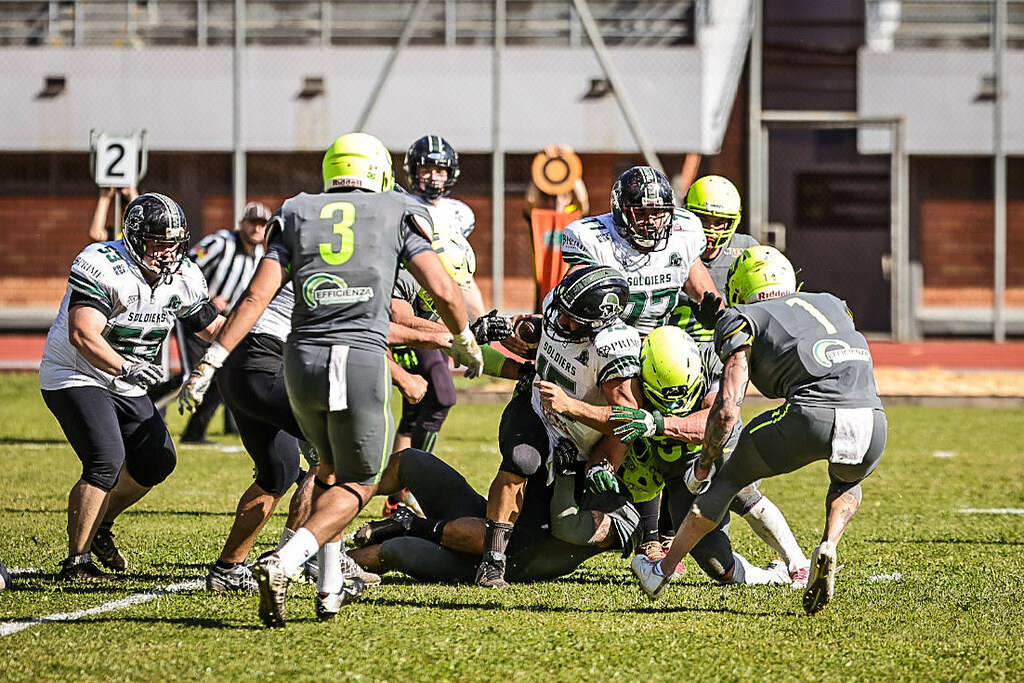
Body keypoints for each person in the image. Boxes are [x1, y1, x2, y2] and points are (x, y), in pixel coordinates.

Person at [179, 132, 483, 627]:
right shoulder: (394, 214)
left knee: (298, 470)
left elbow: (253, 298)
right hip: (336, 360)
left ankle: (324, 584)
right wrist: (463, 335)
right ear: (383, 172)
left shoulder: (297, 211)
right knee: (353, 476)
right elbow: (441, 292)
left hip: (280, 360)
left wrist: (211, 361)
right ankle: (293, 559)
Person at [631, 246, 887, 616]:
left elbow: (728, 408)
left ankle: (662, 570)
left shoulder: (742, 317)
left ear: (738, 287)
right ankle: (828, 544)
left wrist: (703, 466)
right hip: (873, 420)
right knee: (846, 482)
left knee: (729, 479)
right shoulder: (832, 302)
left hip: (812, 414)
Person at [40, 192, 223, 580]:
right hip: (76, 372)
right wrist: (125, 367)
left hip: (126, 377)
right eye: (158, 245)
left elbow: (213, 328)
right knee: (105, 460)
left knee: (157, 460)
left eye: (173, 245)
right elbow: (82, 334)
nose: (167, 254)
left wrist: (266, 336)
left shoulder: (185, 275)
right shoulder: (101, 263)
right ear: (135, 238)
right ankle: (77, 563)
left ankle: (100, 526)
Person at [559, 165, 721, 567]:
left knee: (671, 416)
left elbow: (701, 289)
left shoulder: (682, 232)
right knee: (630, 413)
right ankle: (618, 500)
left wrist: (720, 318)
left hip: (658, 344)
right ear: (620, 209)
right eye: (642, 212)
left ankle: (664, 528)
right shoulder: (592, 239)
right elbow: (578, 298)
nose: (652, 221)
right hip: (605, 342)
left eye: (659, 211)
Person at [475, 264, 644, 588]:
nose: (562, 321)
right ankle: (492, 563)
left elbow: (628, 423)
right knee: (522, 460)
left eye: (573, 319)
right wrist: (505, 329)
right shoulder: (559, 305)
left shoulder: (614, 348)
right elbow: (532, 333)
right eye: (562, 312)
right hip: (535, 408)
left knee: (536, 533)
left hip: (576, 441)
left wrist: (573, 408)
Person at [204, 282, 379, 592]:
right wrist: (452, 337)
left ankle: (228, 568)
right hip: (267, 361)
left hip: (240, 367)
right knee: (341, 453)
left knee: (278, 472)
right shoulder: (340, 264)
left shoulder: (300, 249)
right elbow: (379, 328)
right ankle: (320, 571)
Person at [606, 325, 807, 586]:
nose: (678, 406)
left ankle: (798, 563)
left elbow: (715, 422)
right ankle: (774, 577)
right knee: (715, 563)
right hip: (677, 474)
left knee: (737, 486)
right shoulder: (629, 377)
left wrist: (659, 423)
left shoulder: (709, 359)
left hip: (716, 448)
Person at [347, 447, 637, 584]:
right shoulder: (581, 453)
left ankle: (327, 565)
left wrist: (567, 469)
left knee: (394, 550)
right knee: (410, 461)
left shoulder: (627, 518)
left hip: (495, 559)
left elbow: (566, 525)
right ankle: (336, 496)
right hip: (481, 520)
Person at [180, 201, 270, 444]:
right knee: (188, 376)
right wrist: (207, 297)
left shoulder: (262, 255)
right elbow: (184, 267)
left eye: (262, 224)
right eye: (253, 222)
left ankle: (195, 432)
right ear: (242, 223)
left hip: (226, 324)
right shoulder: (220, 243)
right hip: (196, 317)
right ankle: (144, 406)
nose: (257, 229)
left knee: (221, 375)